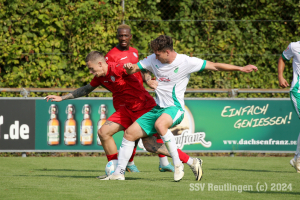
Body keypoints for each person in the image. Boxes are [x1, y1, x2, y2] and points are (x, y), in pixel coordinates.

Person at [104, 35, 258, 181]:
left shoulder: (186, 61)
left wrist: (240, 68)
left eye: (158, 54)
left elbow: (215, 66)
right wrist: (130, 67)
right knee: (131, 134)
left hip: (174, 108)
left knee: (160, 124)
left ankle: (178, 165)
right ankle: (119, 173)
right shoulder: (153, 58)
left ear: (167, 52)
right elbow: (134, 69)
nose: (155, 57)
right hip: (158, 108)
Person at [101, 24, 174, 173]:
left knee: (153, 129)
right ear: (117, 36)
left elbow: (141, 69)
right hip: (125, 102)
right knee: (132, 132)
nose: (123, 38)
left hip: (140, 97)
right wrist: (120, 91)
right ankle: (129, 163)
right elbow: (108, 79)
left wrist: (148, 80)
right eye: (120, 35)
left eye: (125, 35)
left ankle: (163, 162)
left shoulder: (134, 52)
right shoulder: (110, 55)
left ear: (130, 37)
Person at [278, 41, 300, 173]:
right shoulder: (294, 46)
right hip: (298, 91)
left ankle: (296, 158)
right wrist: (281, 76)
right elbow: (282, 58)